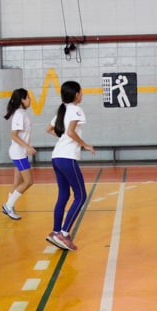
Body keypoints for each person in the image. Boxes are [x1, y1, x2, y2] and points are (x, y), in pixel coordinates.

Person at [45, 80, 94, 250]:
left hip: (56, 157)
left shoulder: (63, 110)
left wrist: (64, 139)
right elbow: (71, 132)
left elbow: (49, 129)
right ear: (76, 94)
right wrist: (85, 145)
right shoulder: (76, 110)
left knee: (64, 195)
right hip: (67, 157)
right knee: (81, 195)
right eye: (81, 92)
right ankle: (64, 234)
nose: (82, 94)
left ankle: (55, 231)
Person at [2, 88, 36, 220]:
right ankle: (8, 206)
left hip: (20, 153)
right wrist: (27, 147)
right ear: (22, 99)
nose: (30, 100)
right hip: (19, 153)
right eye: (28, 97)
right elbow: (14, 135)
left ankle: (9, 206)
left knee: (17, 182)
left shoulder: (22, 113)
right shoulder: (19, 115)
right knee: (29, 181)